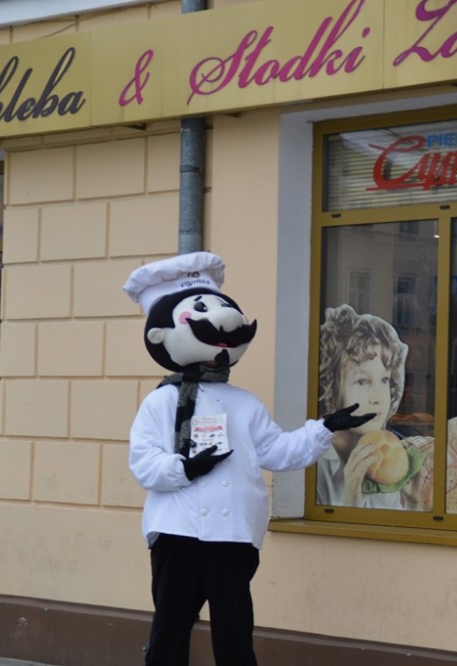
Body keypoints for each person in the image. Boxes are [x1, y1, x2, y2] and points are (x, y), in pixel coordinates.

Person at [123, 253, 372, 666]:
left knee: (235, 632)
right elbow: (143, 462)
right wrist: (184, 468)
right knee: (170, 628)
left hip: (233, 533)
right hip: (177, 531)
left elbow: (279, 452)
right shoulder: (161, 402)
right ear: (161, 335)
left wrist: (327, 426)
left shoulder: (245, 404)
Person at [316, 303, 410, 508]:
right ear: (332, 388)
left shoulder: (387, 458)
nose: (378, 398)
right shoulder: (313, 460)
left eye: (384, 380)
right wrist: (352, 497)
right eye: (362, 381)